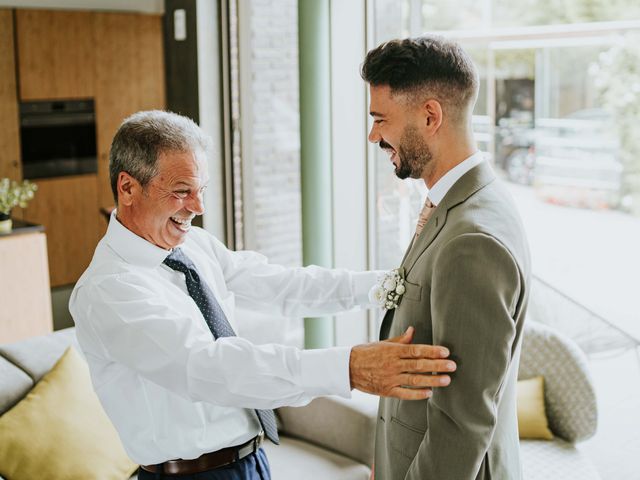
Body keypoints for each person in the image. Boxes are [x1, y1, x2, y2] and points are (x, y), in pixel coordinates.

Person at [69, 110, 456, 480]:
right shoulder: (108, 291)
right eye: (182, 191)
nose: (199, 207)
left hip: (251, 461)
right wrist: (350, 367)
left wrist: (393, 284)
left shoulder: (194, 247)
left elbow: (284, 285)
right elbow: (210, 367)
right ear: (128, 187)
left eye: (201, 190)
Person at [361, 36, 531, 479]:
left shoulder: (472, 242)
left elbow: (462, 422)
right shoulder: (459, 201)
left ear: (431, 115)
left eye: (381, 119)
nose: (373, 135)